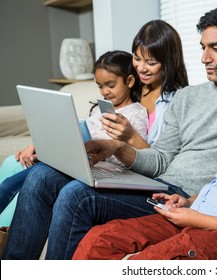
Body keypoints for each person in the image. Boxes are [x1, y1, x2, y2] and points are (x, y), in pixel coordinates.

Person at [3, 4, 217, 260]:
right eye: (202, 47)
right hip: (162, 190)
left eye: (216, 48)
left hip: (196, 199)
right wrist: (117, 149)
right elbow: (161, 157)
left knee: (75, 195)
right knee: (44, 175)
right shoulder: (187, 97)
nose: (204, 58)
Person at [72, 37, 217, 260]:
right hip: (198, 213)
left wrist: (196, 218)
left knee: (151, 262)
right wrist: (189, 202)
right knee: (100, 239)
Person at [2, 19, 188, 260]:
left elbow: (160, 160)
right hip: (112, 166)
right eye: (137, 58)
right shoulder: (130, 88)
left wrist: (128, 137)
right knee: (40, 174)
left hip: (143, 176)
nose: (141, 68)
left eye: (151, 62)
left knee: (71, 192)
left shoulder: (177, 102)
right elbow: (89, 124)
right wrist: (43, 141)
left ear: (169, 61)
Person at [0, 50, 148, 216]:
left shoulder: (136, 113)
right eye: (100, 86)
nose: (104, 91)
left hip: (96, 167)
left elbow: (137, 156)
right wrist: (39, 146)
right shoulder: (99, 109)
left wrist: (107, 150)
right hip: (72, 160)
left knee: (8, 186)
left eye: (110, 85)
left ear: (129, 81)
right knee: (13, 165)